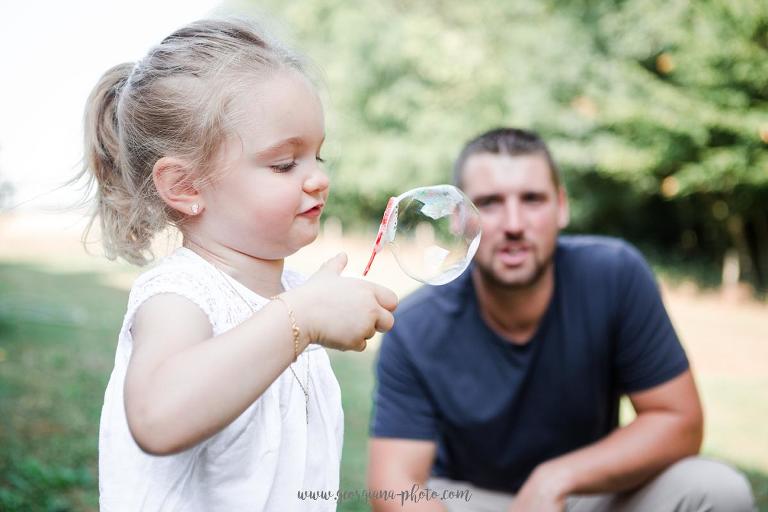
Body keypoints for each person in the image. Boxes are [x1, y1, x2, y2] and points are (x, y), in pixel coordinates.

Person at [81, 18, 398, 511]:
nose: (319, 178)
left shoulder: (290, 294)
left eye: (319, 154)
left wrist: (304, 311)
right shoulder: (179, 295)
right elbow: (157, 417)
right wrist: (304, 317)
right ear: (185, 186)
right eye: (284, 163)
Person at [368, 128, 755, 511]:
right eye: (490, 202)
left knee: (717, 490)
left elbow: (680, 421)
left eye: (533, 199)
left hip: (586, 493)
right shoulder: (416, 324)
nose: (515, 224)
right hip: (474, 502)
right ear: (457, 219)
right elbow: (393, 483)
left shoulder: (615, 275)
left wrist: (553, 479)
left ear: (562, 206)